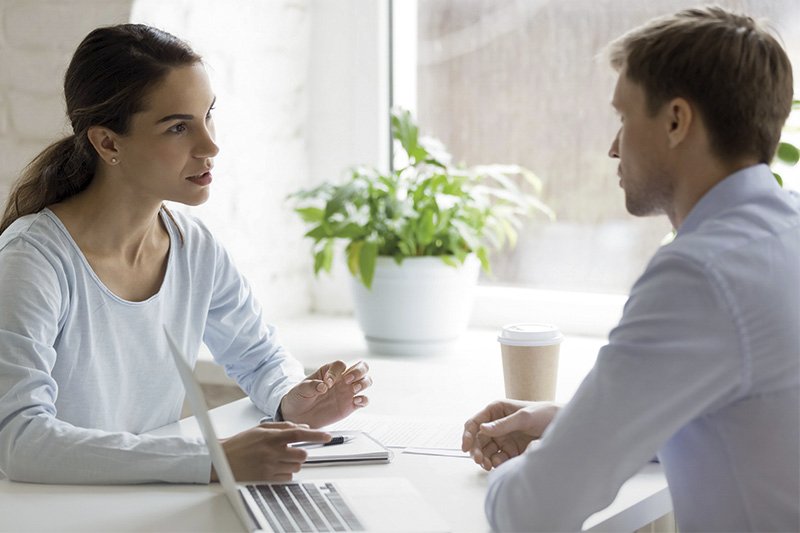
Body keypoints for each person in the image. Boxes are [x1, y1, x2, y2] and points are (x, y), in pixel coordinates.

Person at [462, 6, 799, 532]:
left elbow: (533, 511)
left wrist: (554, 460)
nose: (613, 147)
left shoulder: (700, 275)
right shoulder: (785, 233)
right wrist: (569, 425)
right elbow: (752, 419)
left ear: (675, 121)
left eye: (623, 116)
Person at [0, 24, 372, 485]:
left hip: (141, 506)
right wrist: (210, 459)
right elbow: (20, 440)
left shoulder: (193, 247)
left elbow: (258, 357)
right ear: (108, 143)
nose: (210, 146)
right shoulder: (30, 262)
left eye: (207, 116)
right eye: (178, 127)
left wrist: (291, 397)